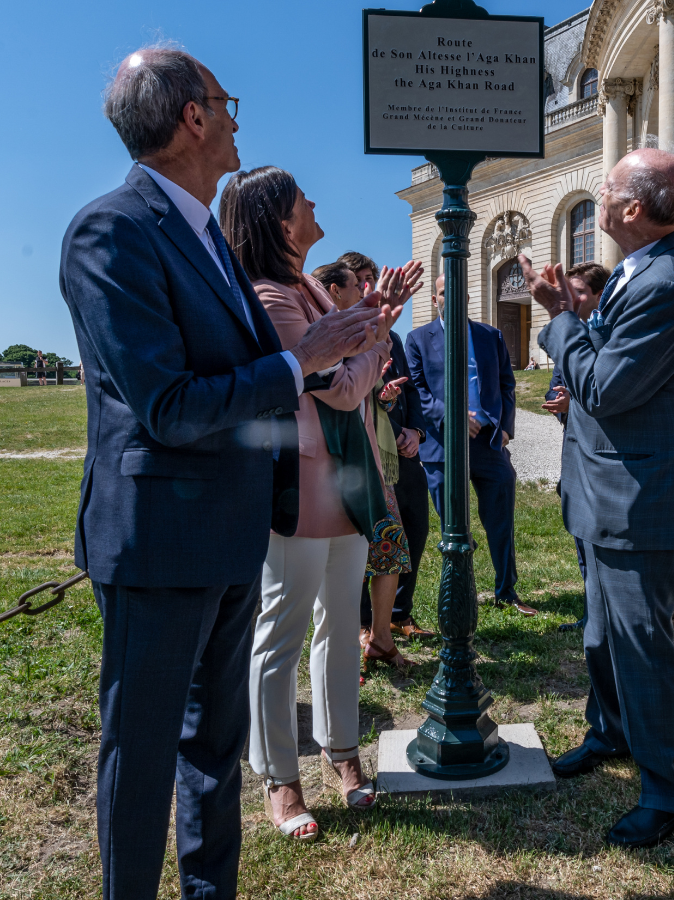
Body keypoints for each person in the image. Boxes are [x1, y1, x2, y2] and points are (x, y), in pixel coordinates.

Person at [60, 47, 399, 899]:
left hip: (231, 528)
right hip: (160, 541)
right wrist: (301, 363)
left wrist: (344, 338)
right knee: (142, 757)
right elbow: (168, 403)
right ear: (192, 117)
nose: (239, 118)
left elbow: (269, 370)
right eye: (227, 100)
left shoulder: (208, 233)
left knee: (213, 745)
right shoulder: (113, 230)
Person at [519, 148, 674, 849]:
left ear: (631, 210)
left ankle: (667, 790)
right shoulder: (642, 272)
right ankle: (609, 733)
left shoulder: (664, 282)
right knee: (602, 633)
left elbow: (603, 387)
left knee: (640, 646)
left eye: (604, 189)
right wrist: (577, 314)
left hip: (643, 498)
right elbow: (608, 371)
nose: (596, 197)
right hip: (610, 489)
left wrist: (558, 319)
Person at [221, 169, 422, 840]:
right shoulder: (272, 296)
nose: (315, 204)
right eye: (303, 200)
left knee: (341, 623)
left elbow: (350, 356)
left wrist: (376, 323)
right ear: (282, 222)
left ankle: (343, 756)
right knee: (280, 633)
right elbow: (339, 387)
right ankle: (281, 778)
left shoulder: (308, 286)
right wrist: (379, 335)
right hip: (300, 486)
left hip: (348, 483)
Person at [311, 260, 420, 672]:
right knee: (344, 560)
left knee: (389, 549)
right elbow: (342, 391)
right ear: (335, 291)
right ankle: (346, 644)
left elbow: (368, 398)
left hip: (370, 459)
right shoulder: (325, 331)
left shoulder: (365, 332)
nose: (365, 290)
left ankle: (382, 637)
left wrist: (386, 393)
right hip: (332, 466)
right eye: (358, 284)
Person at [407, 274, 537, 616]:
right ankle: (461, 587)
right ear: (434, 299)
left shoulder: (490, 335)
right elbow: (418, 392)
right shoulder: (418, 339)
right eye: (441, 292)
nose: (448, 297)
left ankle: (507, 591)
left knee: (501, 521)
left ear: (466, 297)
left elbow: (507, 383)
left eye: (456, 291)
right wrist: (451, 416)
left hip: (489, 444)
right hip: (442, 447)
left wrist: (506, 429)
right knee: (453, 525)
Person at [339, 252, 436, 647]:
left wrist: (415, 431)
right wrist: (379, 393)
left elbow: (408, 388)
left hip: (403, 451)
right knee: (369, 537)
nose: (368, 286)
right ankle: (365, 623)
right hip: (366, 451)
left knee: (414, 528)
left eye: (371, 279)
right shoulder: (343, 331)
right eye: (360, 279)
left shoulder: (393, 336)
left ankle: (399, 614)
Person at [540, 261, 610, 633]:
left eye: (578, 292)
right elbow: (556, 384)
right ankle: (591, 615)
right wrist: (558, 400)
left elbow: (611, 394)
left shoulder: (611, 332)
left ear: (599, 294)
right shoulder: (571, 335)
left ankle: (607, 618)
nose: (571, 299)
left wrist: (576, 404)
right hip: (575, 459)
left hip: (606, 464)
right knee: (582, 541)